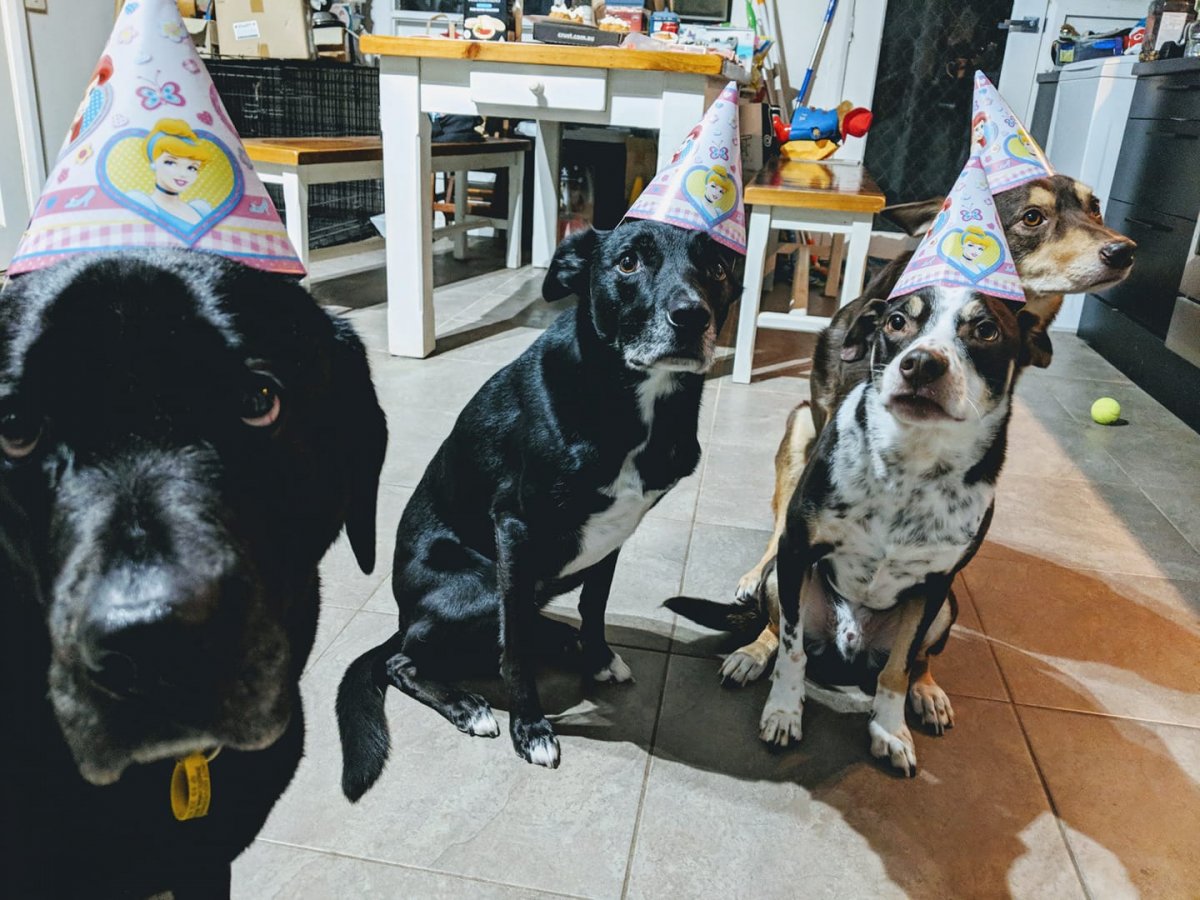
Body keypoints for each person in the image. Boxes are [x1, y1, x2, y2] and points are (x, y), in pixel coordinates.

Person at [129, 119, 215, 227]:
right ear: (154, 163)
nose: (183, 174)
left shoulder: (200, 210)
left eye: (192, 168)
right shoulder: (142, 204)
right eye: (170, 163)